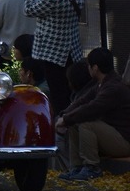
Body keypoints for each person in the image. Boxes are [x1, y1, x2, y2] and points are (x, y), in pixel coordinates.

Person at [56, 47, 130, 181]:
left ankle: (91, 167)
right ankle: (76, 167)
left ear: (95, 68)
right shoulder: (102, 84)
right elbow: (83, 100)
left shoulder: (113, 87)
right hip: (113, 135)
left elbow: (92, 108)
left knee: (86, 122)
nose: (88, 69)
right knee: (75, 122)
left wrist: (65, 119)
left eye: (89, 66)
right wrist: (64, 115)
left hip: (124, 141)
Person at [23, 0, 84, 115]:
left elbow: (28, 10)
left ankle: (61, 124)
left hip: (52, 54)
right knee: (70, 90)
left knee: (57, 92)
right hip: (72, 51)